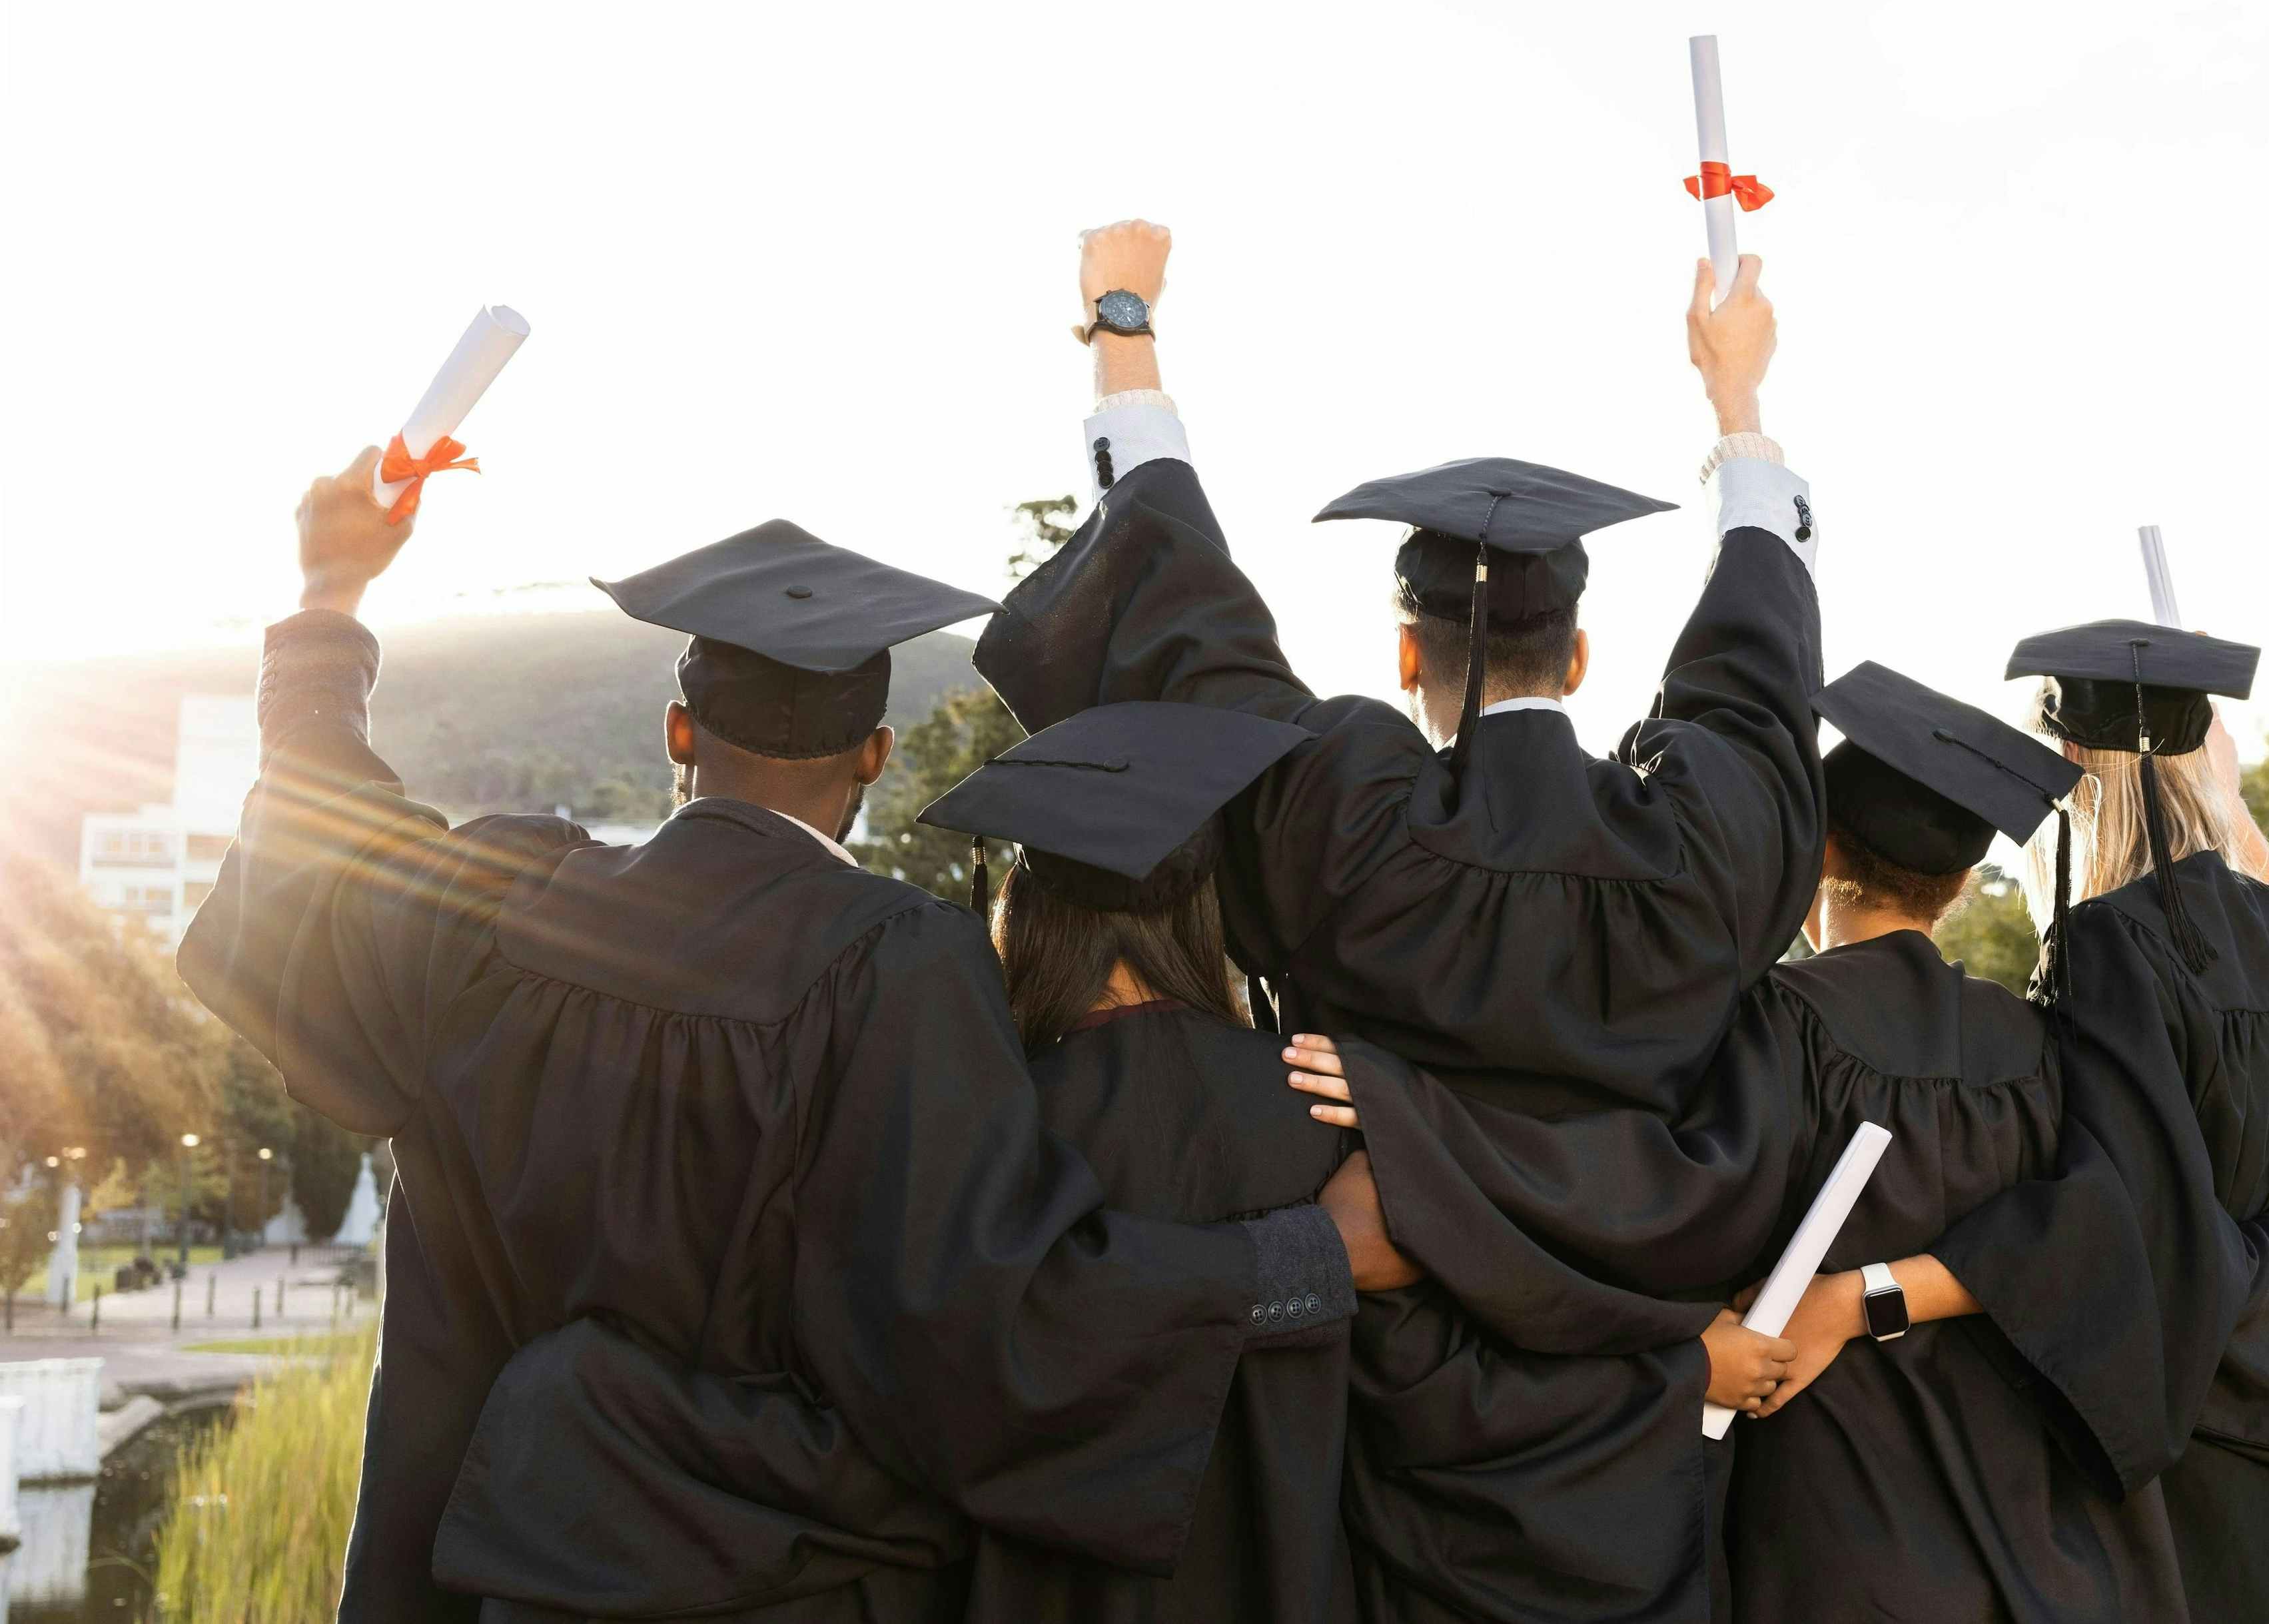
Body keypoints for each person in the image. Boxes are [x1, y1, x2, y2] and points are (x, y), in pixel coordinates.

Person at [177, 460, 1404, 1621]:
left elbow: (322, 843)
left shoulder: (496, 909)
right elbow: (998, 1324)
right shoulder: (899, 967)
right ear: (873, 757)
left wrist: (328, 599)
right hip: (788, 1585)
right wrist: (1307, 1257)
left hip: (512, 1562)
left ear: (677, 734)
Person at [959, 221, 1817, 1622]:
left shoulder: (1343, 819)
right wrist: (1738, 404)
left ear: (1407, 649)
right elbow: (1760, 667)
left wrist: (1127, 330)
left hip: (1398, 1434)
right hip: (1638, 1462)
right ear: (1585, 654)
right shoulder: (1703, 838)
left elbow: (1185, 609)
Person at [1286, 661, 2218, 1619]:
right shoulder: (2044, 1046)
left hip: (1842, 1522)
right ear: (1960, 879)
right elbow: (2110, 1238)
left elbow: (1655, 1198)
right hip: (2037, 1529)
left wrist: (1423, 1125)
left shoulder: (1774, 1026)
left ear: (1812, 849)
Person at [1923, 620, 2269, 1623]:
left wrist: (1879, 1296)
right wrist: (2218, 794)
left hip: (2196, 1426)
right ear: (2208, 764)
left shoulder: (2104, 945)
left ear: (2070, 769)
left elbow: (2125, 1214)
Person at [911, 699, 1362, 1621]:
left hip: (1047, 1591)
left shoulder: (996, 1122)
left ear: (1026, 912)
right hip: (1281, 1573)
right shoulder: (1318, 1101)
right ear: (1201, 912)